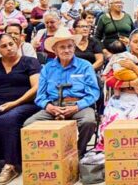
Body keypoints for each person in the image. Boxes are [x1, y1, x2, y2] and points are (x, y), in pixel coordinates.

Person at [25, 27, 100, 158]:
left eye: (70, 46)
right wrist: (49, 106)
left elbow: (94, 92)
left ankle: (78, 152)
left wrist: (76, 106)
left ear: (74, 47)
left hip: (78, 105)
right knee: (29, 124)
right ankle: (50, 154)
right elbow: (40, 96)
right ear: (55, 50)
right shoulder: (47, 68)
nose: (67, 50)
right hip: (53, 106)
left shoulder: (85, 66)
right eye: (62, 47)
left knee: (89, 121)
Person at [0, 34, 41, 185]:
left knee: (9, 120)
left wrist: (14, 103)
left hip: (22, 102)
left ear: (17, 43)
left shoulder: (29, 62)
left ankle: (10, 165)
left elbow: (36, 87)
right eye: (4, 46)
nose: (9, 48)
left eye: (11, 44)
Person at [96, 30, 138, 151]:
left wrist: (133, 67)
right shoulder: (119, 58)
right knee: (116, 121)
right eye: (135, 41)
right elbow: (108, 79)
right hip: (121, 98)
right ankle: (118, 153)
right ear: (129, 43)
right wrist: (131, 83)